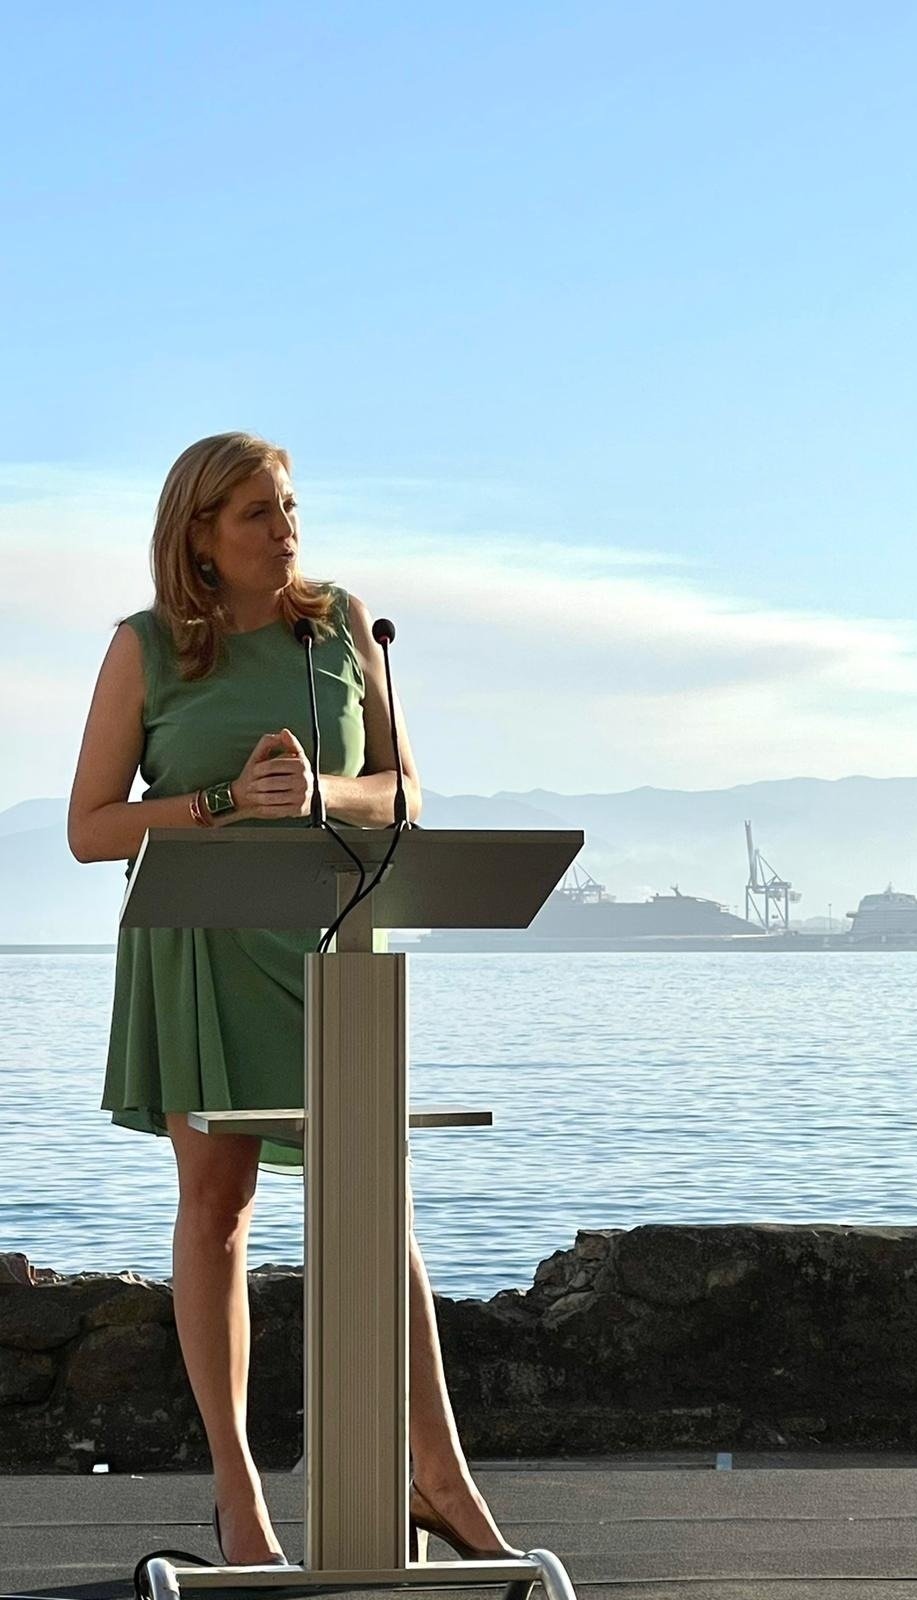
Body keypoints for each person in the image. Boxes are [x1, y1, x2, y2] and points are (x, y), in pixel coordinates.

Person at [67, 431, 522, 1567]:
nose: (288, 530)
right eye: (260, 514)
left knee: (376, 1202)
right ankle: (237, 1497)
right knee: (216, 1206)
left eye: (290, 507)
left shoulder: (343, 624)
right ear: (201, 540)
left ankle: (437, 1476)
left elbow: (405, 787)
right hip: (203, 952)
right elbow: (89, 828)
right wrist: (223, 799)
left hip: (333, 944)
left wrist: (324, 789)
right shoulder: (146, 649)